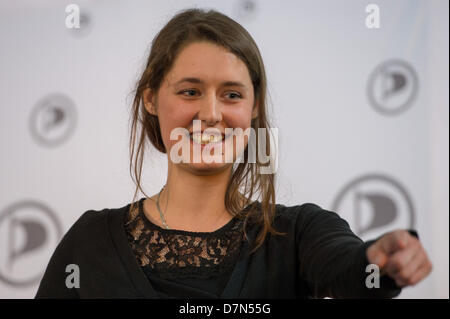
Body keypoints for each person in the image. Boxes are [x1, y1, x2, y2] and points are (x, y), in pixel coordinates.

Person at [35, 8, 432, 299]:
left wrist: (379, 262)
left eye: (231, 94)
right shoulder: (88, 243)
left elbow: (348, 269)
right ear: (152, 100)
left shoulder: (297, 234)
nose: (210, 113)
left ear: (253, 107)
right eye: (190, 91)